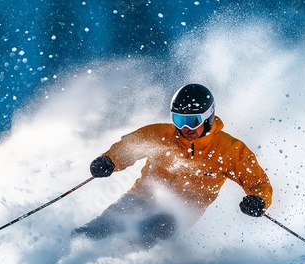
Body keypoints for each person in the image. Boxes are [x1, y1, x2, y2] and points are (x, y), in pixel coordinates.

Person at [72, 83, 273, 248]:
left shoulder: (229, 149)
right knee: (103, 226)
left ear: (208, 117)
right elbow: (129, 147)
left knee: (148, 232)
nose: (186, 128)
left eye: (193, 121)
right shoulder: (161, 135)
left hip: (181, 211)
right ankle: (63, 257)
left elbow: (257, 181)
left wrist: (258, 200)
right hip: (141, 197)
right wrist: (109, 160)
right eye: (179, 119)